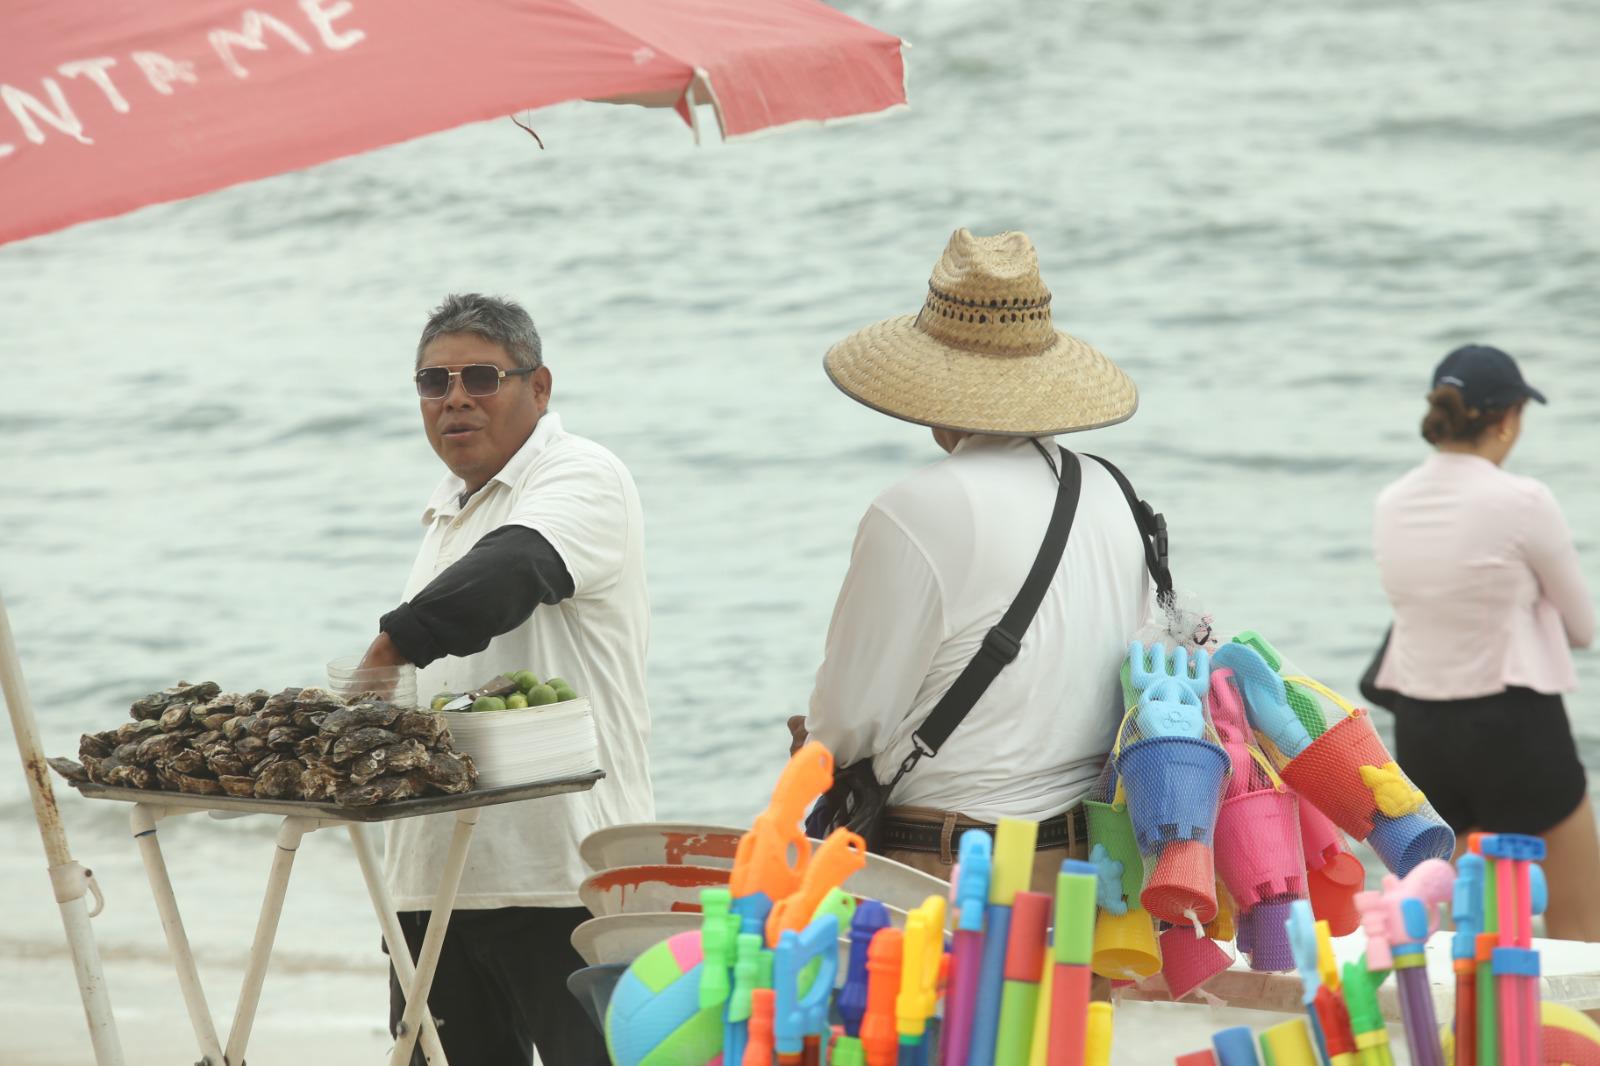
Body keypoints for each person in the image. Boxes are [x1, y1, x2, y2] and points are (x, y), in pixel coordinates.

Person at [790, 229, 1156, 890]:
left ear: (928, 388)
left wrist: (819, 740)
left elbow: (848, 723)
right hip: (1092, 872)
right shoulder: (1114, 492)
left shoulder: (914, 511)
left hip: (951, 871)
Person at [357, 293, 652, 1064]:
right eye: (433, 382)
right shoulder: (447, 514)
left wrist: (391, 648)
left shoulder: (582, 474)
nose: (455, 397)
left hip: (564, 880)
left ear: (540, 387)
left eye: (482, 377)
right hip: (433, 883)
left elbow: (517, 567)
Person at [1373, 343, 1600, 941]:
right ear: (1505, 419)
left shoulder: (1390, 503)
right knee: (1579, 926)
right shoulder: (1524, 500)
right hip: (1514, 726)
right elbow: (1583, 627)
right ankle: (1574, 1037)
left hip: (1423, 732)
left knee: (1464, 929)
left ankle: (1469, 1036)